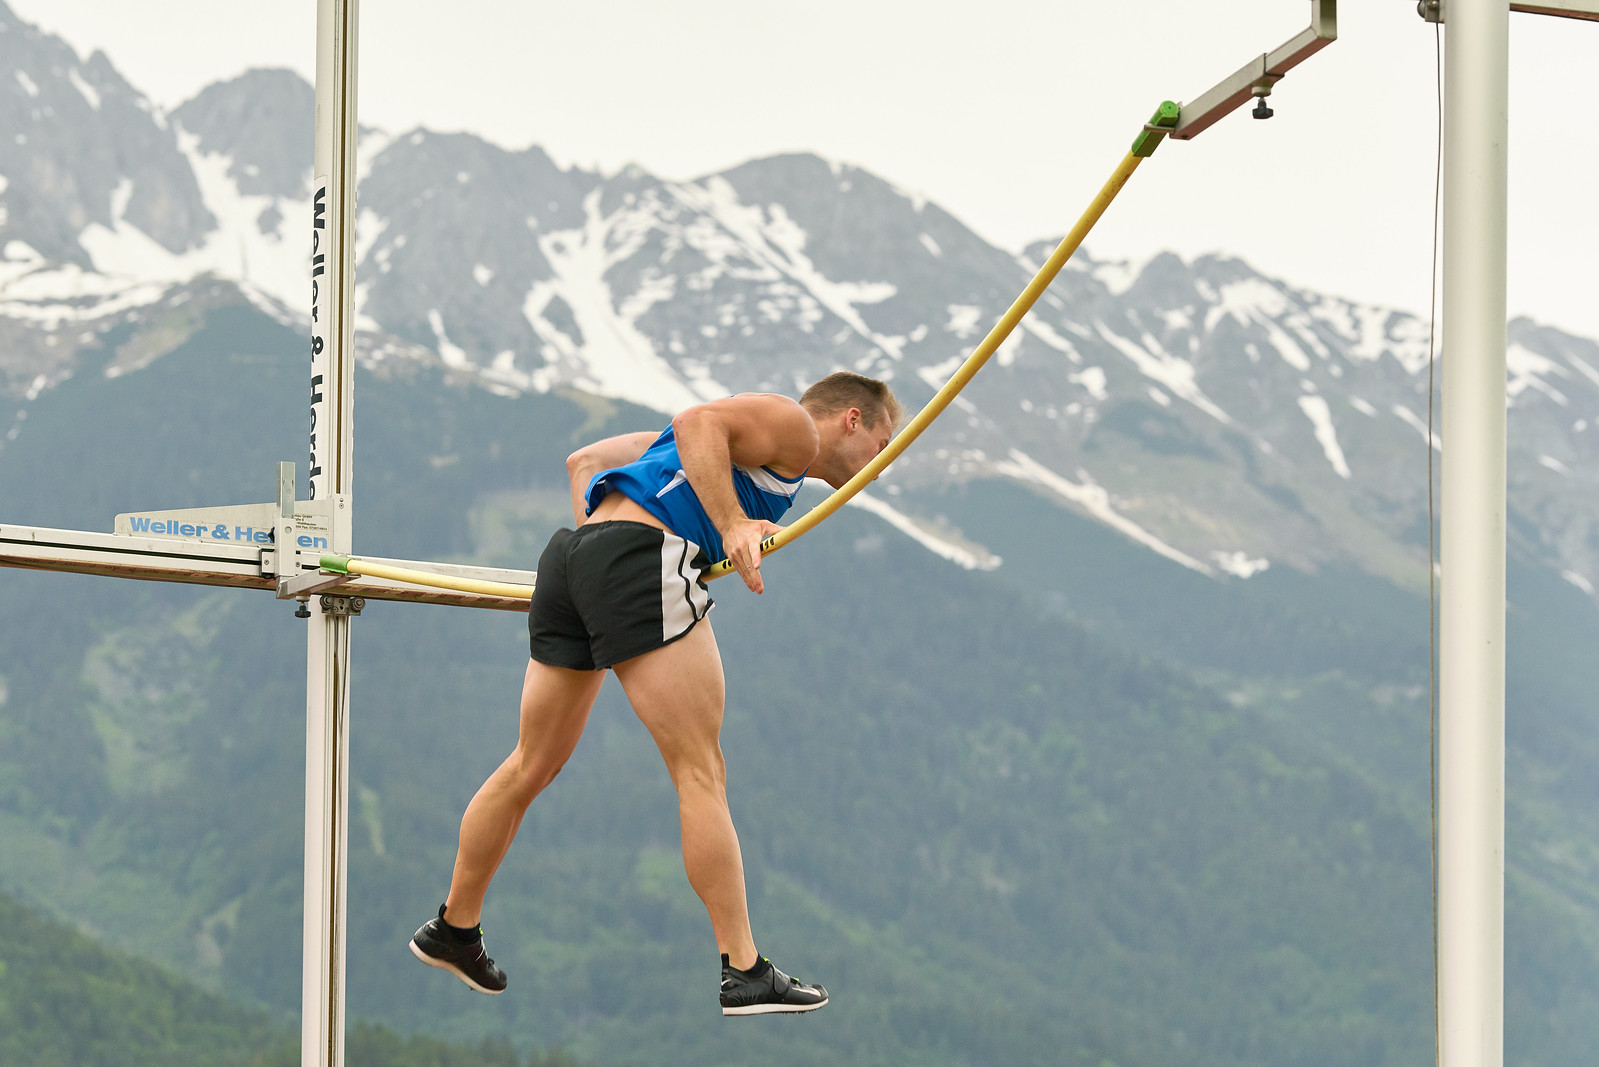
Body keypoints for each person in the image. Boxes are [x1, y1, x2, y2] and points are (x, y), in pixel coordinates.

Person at [410, 370, 902, 1016]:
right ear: (851, 420)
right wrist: (728, 524)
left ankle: (454, 925)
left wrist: (599, 566)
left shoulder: (694, 449)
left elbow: (583, 461)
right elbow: (702, 420)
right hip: (635, 556)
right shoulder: (795, 430)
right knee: (701, 769)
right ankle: (744, 968)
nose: (882, 463)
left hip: (571, 558)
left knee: (531, 762)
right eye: (882, 444)